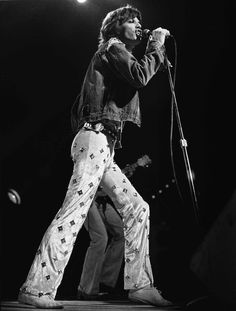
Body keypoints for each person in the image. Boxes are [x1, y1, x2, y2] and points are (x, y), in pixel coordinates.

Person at [18, 4, 172, 308]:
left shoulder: (114, 55)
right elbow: (140, 75)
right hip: (95, 139)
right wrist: (156, 45)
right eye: (131, 21)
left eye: (140, 22)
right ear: (116, 27)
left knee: (137, 208)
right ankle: (36, 288)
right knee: (74, 212)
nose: (139, 26)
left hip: (102, 143)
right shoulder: (113, 47)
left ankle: (140, 284)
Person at [78, 155, 151, 301]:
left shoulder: (108, 154)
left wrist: (134, 166)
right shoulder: (92, 149)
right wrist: (136, 164)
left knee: (122, 234)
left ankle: (105, 281)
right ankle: (86, 288)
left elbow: (113, 176)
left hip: (102, 201)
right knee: (100, 238)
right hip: (88, 199)